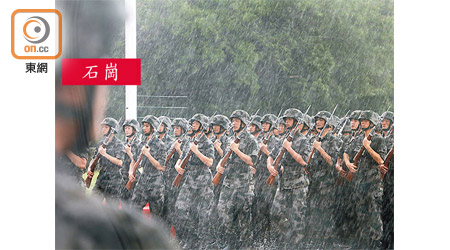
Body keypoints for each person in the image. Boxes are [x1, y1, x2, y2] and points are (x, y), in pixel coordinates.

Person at [267, 108, 311, 248]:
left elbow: (304, 161)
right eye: (285, 120)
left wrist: (289, 148)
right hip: (283, 183)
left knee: (297, 218)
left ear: (296, 122)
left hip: (298, 184)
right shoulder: (283, 138)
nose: (286, 122)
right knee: (275, 213)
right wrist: (270, 166)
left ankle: (296, 245)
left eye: (289, 120)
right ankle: (287, 239)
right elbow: (271, 155)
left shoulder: (303, 140)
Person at [215, 110, 258, 249]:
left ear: (244, 123)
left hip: (243, 185)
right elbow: (226, 157)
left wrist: (237, 150)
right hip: (228, 183)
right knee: (223, 214)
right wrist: (220, 165)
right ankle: (231, 243)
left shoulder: (251, 140)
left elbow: (252, 161)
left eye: (237, 121)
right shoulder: (229, 138)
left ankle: (245, 246)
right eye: (232, 120)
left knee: (243, 220)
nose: (233, 123)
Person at [344, 110, 386, 248]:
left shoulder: (379, 140)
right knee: (360, 214)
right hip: (359, 183)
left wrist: (367, 147)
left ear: (372, 123)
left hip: (373, 184)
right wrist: (348, 163)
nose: (362, 123)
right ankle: (363, 242)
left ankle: (375, 243)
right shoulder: (357, 139)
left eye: (365, 121)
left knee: (373, 215)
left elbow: (381, 160)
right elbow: (346, 152)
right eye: (361, 120)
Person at [173, 114, 215, 249]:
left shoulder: (207, 143)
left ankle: (203, 243)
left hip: (203, 180)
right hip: (189, 180)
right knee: (181, 209)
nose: (193, 125)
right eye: (193, 123)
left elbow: (210, 162)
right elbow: (182, 158)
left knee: (203, 214)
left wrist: (196, 152)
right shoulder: (189, 141)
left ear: (202, 126)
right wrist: (177, 166)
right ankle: (190, 239)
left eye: (196, 123)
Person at [305, 111, 342, 246]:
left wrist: (319, 149)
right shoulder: (313, 140)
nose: (318, 123)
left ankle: (326, 244)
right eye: (317, 120)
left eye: (321, 120)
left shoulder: (334, 140)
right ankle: (314, 242)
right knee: (311, 213)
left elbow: (332, 162)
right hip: (313, 182)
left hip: (326, 183)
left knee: (325, 215)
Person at [251, 113, 280, 246]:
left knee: (269, 210)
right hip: (258, 178)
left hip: (269, 179)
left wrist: (266, 150)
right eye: (262, 123)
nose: (263, 126)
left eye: (266, 123)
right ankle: (258, 238)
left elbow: (277, 158)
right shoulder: (259, 139)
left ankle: (270, 240)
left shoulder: (276, 141)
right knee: (258, 209)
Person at [130, 115, 166, 219]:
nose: (144, 128)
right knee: (134, 208)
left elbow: (161, 167)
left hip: (156, 182)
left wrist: (148, 154)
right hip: (143, 179)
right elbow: (137, 162)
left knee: (156, 214)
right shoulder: (141, 143)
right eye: (143, 126)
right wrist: (132, 172)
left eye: (147, 126)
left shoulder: (160, 145)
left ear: (153, 128)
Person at [86, 117, 125, 208]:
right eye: (102, 127)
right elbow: (94, 158)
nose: (103, 129)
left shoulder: (119, 145)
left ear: (112, 130)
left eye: (106, 127)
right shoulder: (101, 143)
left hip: (114, 181)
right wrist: (89, 168)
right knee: (93, 205)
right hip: (101, 179)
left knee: (111, 210)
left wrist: (104, 154)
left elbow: (120, 162)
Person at [162, 118, 190, 228]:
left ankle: (179, 234)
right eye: (174, 128)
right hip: (169, 178)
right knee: (168, 206)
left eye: (177, 128)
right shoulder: (174, 141)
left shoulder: (187, 142)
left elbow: (187, 159)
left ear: (183, 129)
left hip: (180, 179)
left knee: (178, 208)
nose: (175, 130)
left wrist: (178, 149)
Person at [380, 111, 394, 249]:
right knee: (384, 213)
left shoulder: (393, 138)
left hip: (392, 182)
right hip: (382, 182)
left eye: (386, 120)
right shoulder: (382, 137)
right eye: (382, 120)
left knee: (391, 214)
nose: (383, 122)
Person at [120, 119, 142, 207]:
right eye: (125, 128)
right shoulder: (125, 143)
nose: (126, 130)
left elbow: (138, 162)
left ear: (134, 130)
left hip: (133, 176)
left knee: (132, 204)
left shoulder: (138, 144)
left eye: (129, 128)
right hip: (123, 175)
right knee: (123, 201)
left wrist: (129, 152)